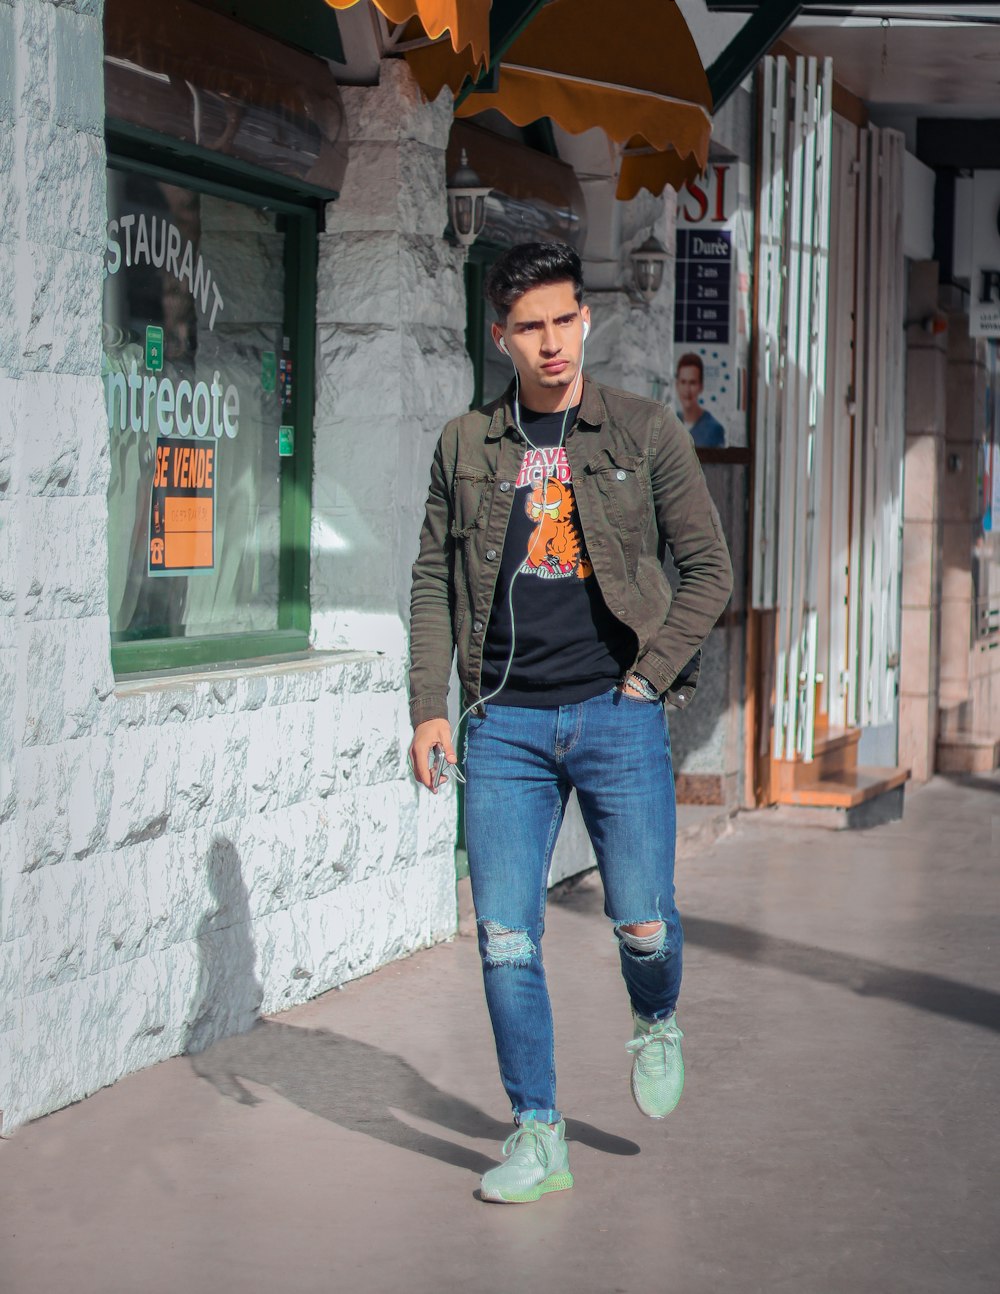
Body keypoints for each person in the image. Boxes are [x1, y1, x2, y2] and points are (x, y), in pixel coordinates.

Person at [408, 242, 732, 1204]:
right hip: (501, 724)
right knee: (506, 935)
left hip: (614, 712)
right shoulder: (465, 445)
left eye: (564, 320)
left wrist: (647, 682)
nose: (551, 343)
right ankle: (537, 1136)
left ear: (585, 320)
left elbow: (708, 571)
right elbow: (432, 580)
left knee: (642, 922)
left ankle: (657, 1015)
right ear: (501, 336)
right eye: (529, 326)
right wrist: (430, 706)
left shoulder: (641, 431)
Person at [675, 352, 725, 448]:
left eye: (692, 383)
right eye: (683, 382)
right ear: (677, 385)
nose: (687, 389)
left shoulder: (714, 430)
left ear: (701, 387)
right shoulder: (670, 424)